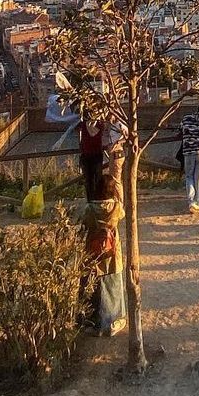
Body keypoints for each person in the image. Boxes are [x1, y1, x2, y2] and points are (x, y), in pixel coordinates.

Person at [81, 174, 126, 336]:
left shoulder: (89, 208)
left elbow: (82, 223)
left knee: (94, 288)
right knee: (113, 287)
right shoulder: (116, 208)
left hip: (92, 254)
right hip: (112, 254)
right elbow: (123, 214)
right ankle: (113, 321)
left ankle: (94, 322)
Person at [180, 98, 199, 212]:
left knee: (189, 176)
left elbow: (180, 128)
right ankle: (198, 201)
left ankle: (191, 202)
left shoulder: (186, 118)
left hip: (188, 150)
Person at [79, 114, 105, 201]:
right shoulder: (99, 125)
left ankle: (93, 199)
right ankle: (94, 199)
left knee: (92, 179)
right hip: (92, 155)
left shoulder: (98, 125)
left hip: (92, 155)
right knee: (92, 179)